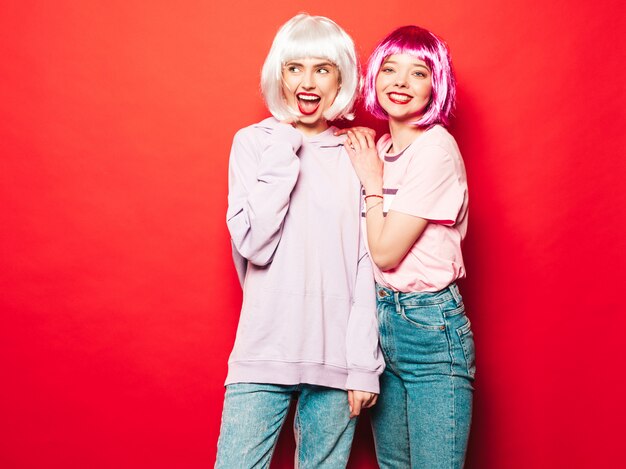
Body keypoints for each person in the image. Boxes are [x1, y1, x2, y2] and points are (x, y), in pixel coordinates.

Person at [215, 14, 384, 469]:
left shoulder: (359, 154)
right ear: (280, 74)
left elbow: (368, 264)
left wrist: (364, 363)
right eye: (295, 68)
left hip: (336, 360)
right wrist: (285, 149)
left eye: (322, 69)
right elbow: (253, 243)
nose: (307, 82)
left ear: (341, 78)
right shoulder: (254, 144)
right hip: (262, 350)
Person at [342, 25, 476, 468]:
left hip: (431, 328)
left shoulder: (435, 151)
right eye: (390, 69)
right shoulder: (379, 148)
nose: (400, 82)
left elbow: (385, 253)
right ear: (375, 77)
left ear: (436, 86)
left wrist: (373, 184)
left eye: (418, 73)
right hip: (383, 321)